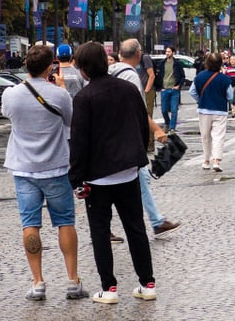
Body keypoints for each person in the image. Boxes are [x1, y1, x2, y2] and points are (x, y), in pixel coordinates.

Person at [70, 42, 156, 303]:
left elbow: (79, 141)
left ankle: (109, 288)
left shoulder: (84, 98)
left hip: (97, 176)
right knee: (135, 228)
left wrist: (76, 179)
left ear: (84, 70)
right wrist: (138, 153)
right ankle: (147, 283)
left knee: (100, 232)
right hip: (128, 171)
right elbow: (142, 123)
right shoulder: (129, 88)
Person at [3, 44, 88, 300]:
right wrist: (60, 88)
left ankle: (38, 282)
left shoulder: (11, 95)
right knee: (65, 222)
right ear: (51, 66)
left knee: (30, 225)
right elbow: (71, 122)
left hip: (23, 167)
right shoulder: (59, 95)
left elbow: (9, 115)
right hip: (56, 166)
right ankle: (73, 280)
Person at [112, 40, 181, 239]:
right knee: (134, 179)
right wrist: (158, 131)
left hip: (112, 135)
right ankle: (154, 222)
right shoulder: (131, 77)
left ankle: (156, 220)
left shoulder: (111, 70)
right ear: (138, 54)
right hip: (127, 136)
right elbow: (140, 110)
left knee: (140, 178)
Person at [191, 52, 233, 171]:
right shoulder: (224, 79)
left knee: (205, 136)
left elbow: (192, 91)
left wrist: (200, 99)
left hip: (204, 109)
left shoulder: (199, 76)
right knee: (218, 136)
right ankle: (216, 161)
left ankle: (206, 160)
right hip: (220, 110)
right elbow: (230, 96)